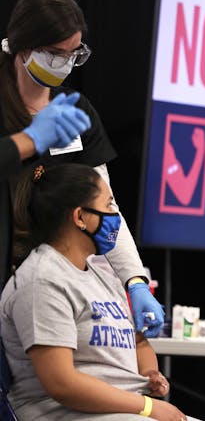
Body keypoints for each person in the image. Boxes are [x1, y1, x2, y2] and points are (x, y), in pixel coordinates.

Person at [0, 0, 163, 336]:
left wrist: (134, 279)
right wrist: (28, 142)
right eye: (55, 54)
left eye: (74, 53)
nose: (65, 63)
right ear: (24, 47)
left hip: (57, 280)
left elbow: (103, 204)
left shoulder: (75, 109)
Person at [0, 163, 195, 420]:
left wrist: (149, 373)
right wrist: (147, 407)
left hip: (122, 410)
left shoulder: (102, 276)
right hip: (64, 413)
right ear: (80, 217)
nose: (116, 216)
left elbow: (137, 340)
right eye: (109, 205)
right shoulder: (42, 281)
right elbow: (62, 384)